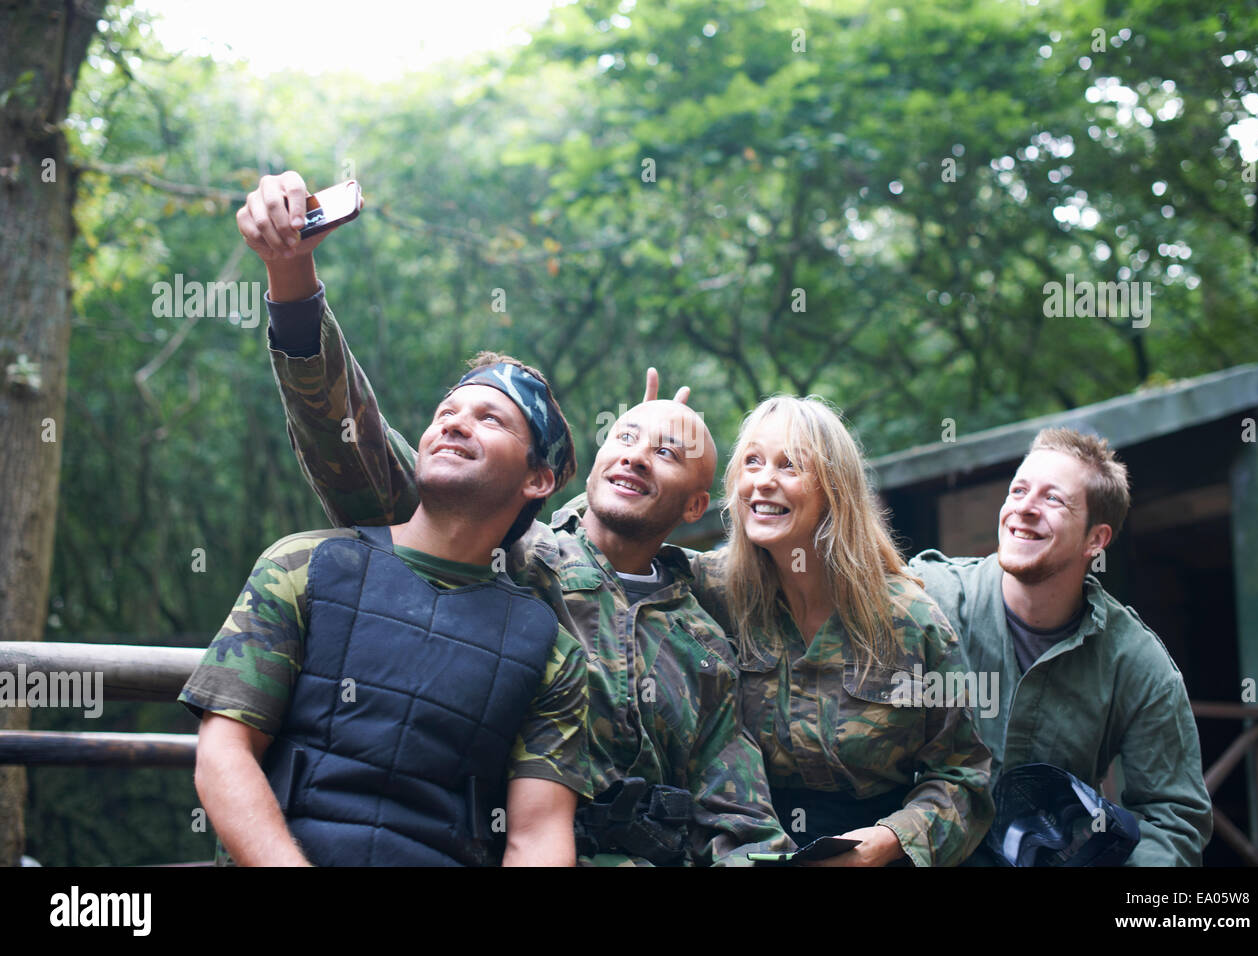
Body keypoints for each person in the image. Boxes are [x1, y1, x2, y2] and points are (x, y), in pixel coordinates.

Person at [235, 171, 792, 865]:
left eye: (667, 453)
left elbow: (740, 816)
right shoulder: (511, 560)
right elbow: (359, 449)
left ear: (694, 506)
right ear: (568, 476)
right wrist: (293, 285)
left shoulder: (705, 639)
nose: (638, 457)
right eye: (622, 438)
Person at [179, 351, 591, 866]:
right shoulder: (302, 565)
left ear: (538, 480)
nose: (455, 424)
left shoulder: (553, 653)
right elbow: (224, 754)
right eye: (445, 413)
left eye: (490, 419)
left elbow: (538, 835)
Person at [687, 395, 995, 867]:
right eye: (752, 461)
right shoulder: (708, 590)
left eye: (790, 466)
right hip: (742, 843)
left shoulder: (910, 620)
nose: (763, 481)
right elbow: (606, 548)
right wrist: (649, 450)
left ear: (834, 489)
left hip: (871, 847)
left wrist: (887, 842)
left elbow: (963, 779)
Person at [909, 427, 1213, 865]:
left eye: (1053, 499)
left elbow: (1175, 819)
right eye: (1018, 489)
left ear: (1096, 540)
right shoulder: (926, 597)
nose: (1024, 508)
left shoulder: (1138, 663)